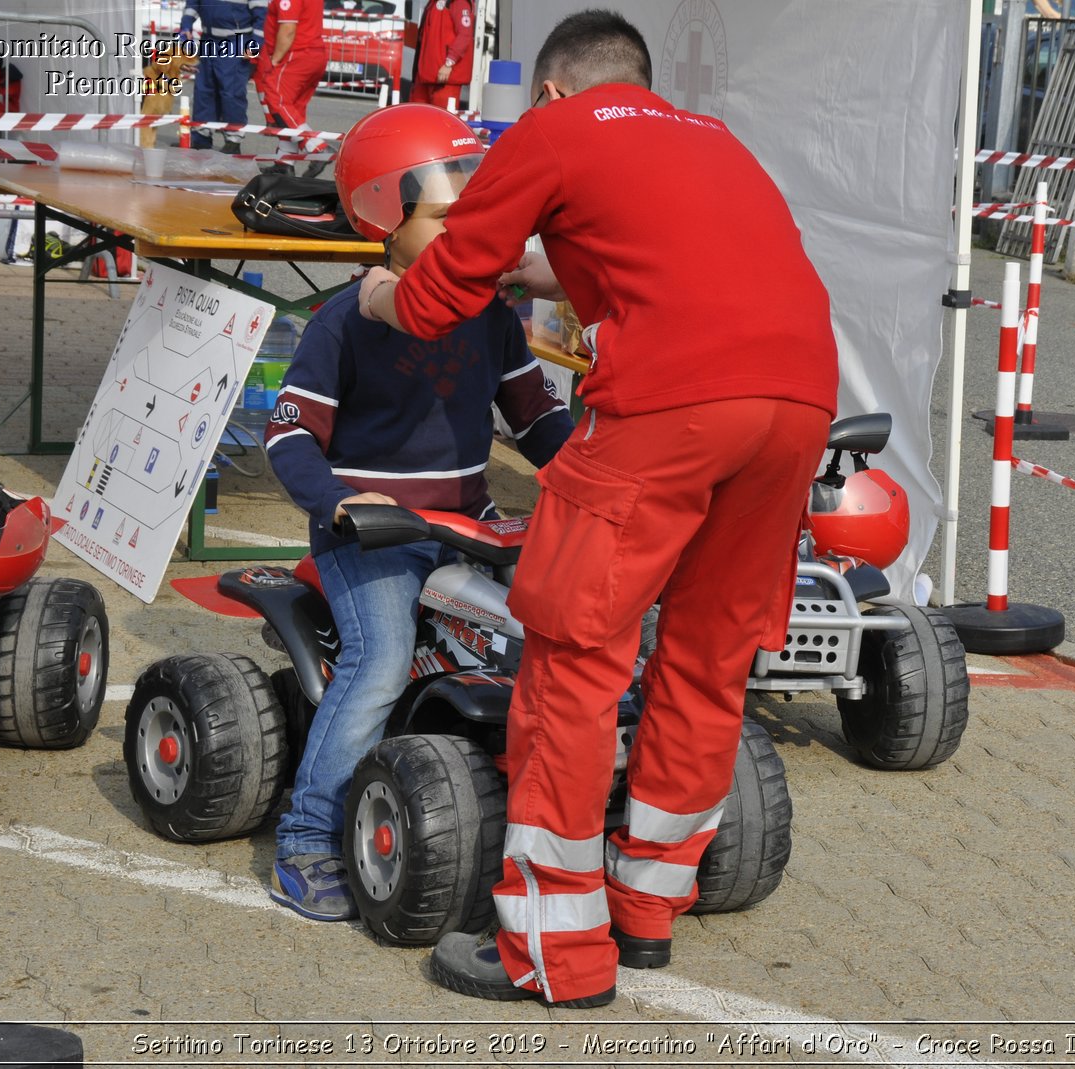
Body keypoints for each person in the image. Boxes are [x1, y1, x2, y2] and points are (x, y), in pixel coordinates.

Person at [357, 10, 839, 1009]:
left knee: (573, 656)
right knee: (707, 659)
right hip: (797, 400)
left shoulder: (551, 130)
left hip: (670, 404)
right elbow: (649, 264)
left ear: (545, 92)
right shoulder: (711, 141)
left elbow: (444, 288)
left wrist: (379, 298)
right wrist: (539, 267)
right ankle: (646, 909)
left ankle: (552, 950)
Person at [263, 103, 574, 921]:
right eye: (443, 216)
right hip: (372, 540)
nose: (464, 229)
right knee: (381, 658)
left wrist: (588, 474)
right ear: (381, 219)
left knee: (553, 635)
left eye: (474, 212)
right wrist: (338, 500)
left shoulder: (494, 317)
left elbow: (540, 421)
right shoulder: (341, 323)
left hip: (465, 531)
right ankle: (303, 839)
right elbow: (289, 436)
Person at [178, 0, 264, 153]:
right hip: (208, 40)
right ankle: (201, 138)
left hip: (236, 42)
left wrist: (255, 44)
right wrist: (185, 25)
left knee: (231, 93)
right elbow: (193, 5)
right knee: (203, 91)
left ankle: (233, 141)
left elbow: (262, 14)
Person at [255, 0, 328, 132]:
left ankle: (315, 146)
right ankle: (287, 149)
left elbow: (288, 29)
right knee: (294, 110)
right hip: (314, 51)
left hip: (296, 54)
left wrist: (275, 59)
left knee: (275, 98)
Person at [408, 0, 473, 110]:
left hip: (445, 79)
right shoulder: (432, 3)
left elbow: (464, 35)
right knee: (416, 120)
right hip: (426, 77)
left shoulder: (459, 3)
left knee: (441, 122)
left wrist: (449, 63)